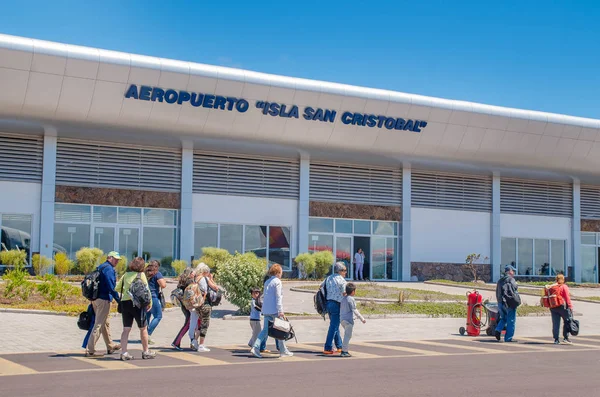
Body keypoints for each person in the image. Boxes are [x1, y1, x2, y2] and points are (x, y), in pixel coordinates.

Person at [116, 257, 156, 360]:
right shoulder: (141, 275)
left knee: (126, 329)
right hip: (138, 305)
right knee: (143, 328)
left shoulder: (126, 275)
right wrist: (150, 302)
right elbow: (146, 290)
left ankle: (124, 352)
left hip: (125, 303)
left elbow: (117, 288)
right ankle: (145, 351)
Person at [251, 264, 294, 358]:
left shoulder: (267, 282)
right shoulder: (277, 282)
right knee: (280, 330)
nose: (282, 274)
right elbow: (278, 297)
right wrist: (280, 310)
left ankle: (256, 347)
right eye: (281, 272)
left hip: (266, 310)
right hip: (275, 310)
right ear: (278, 272)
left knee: (265, 331)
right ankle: (283, 351)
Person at [86, 251, 121, 357]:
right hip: (104, 299)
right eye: (115, 259)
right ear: (109, 258)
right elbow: (111, 286)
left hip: (96, 299)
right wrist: (119, 300)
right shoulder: (109, 269)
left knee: (105, 323)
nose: (117, 261)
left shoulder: (101, 267)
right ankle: (90, 349)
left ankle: (110, 346)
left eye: (118, 259)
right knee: (99, 324)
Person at [188, 263, 219, 352]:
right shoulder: (205, 278)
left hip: (197, 304)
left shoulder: (195, 279)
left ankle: (194, 341)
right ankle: (201, 345)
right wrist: (211, 279)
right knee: (205, 324)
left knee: (201, 324)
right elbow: (216, 288)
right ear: (205, 271)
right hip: (205, 304)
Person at [322, 262, 348, 354]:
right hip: (337, 304)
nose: (345, 272)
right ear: (340, 271)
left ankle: (339, 345)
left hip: (328, 303)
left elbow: (321, 288)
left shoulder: (328, 278)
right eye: (344, 270)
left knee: (334, 325)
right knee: (333, 326)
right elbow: (345, 292)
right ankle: (327, 347)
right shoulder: (341, 280)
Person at [494, 265, 521, 342]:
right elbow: (515, 288)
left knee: (504, 318)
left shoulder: (500, 280)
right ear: (509, 271)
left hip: (500, 303)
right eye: (513, 271)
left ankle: (498, 329)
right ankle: (508, 338)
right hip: (509, 303)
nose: (514, 273)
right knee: (511, 320)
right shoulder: (511, 279)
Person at [171, 267, 195, 351]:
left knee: (190, 323)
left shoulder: (182, 280)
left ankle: (193, 342)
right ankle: (176, 342)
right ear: (190, 273)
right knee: (188, 324)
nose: (194, 274)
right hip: (188, 304)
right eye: (193, 272)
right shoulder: (189, 281)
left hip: (183, 304)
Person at [340, 283, 366, 357]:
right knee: (347, 336)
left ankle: (344, 350)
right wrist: (362, 319)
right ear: (353, 291)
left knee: (347, 335)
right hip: (348, 321)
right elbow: (354, 310)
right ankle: (344, 351)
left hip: (342, 319)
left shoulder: (343, 298)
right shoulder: (351, 299)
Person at [145, 260, 166, 344]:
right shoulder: (157, 274)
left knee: (147, 317)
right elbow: (163, 285)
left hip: (145, 297)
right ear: (157, 267)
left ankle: (145, 335)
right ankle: (147, 334)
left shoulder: (145, 273)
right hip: (153, 297)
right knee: (158, 316)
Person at [550, 274, 574, 345]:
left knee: (555, 323)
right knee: (567, 321)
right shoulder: (564, 287)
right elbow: (567, 297)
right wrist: (570, 307)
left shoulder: (552, 287)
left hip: (553, 307)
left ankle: (556, 339)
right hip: (562, 306)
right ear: (563, 279)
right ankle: (565, 338)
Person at [248, 288, 267, 352]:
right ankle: (253, 347)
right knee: (257, 334)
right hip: (254, 320)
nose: (256, 295)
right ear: (251, 295)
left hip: (255, 319)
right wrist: (263, 309)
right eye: (254, 293)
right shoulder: (253, 301)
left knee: (256, 332)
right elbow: (257, 307)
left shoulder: (257, 300)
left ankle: (251, 343)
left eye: (257, 293)